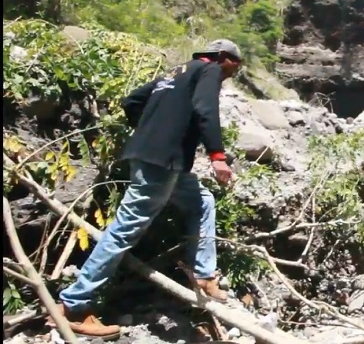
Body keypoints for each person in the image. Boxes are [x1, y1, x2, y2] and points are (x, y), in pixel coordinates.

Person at [47, 40, 243, 339]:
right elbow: (206, 109)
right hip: (162, 162)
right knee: (125, 229)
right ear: (224, 59)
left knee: (202, 201)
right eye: (235, 67)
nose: (233, 74)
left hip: (150, 157)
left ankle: (205, 275)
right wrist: (217, 157)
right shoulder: (209, 70)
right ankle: (73, 305)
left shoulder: (175, 72)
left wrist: (152, 131)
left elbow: (132, 101)